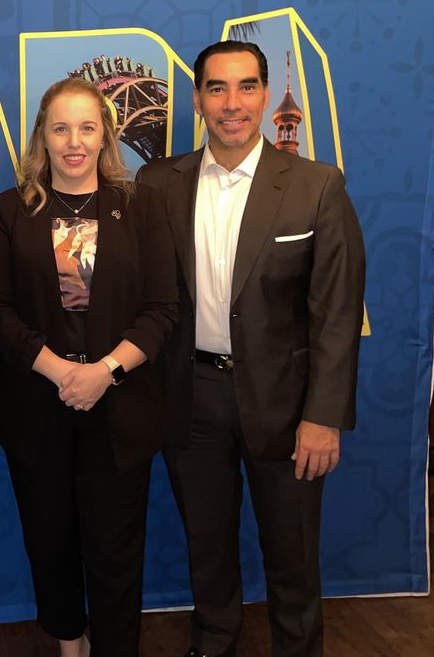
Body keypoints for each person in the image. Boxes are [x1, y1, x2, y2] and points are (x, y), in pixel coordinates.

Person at [136, 40, 366, 657]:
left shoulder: (317, 186)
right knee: (206, 545)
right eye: (217, 88)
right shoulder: (158, 183)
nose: (231, 104)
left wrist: (323, 417)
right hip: (191, 397)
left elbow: (337, 314)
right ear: (197, 100)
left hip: (287, 404)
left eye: (245, 87)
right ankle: (214, 642)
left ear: (265, 96)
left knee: (291, 551)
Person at [0, 77, 179, 657]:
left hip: (119, 408)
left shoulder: (141, 206)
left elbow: (162, 310)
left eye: (86, 127)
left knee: (117, 548)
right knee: (51, 539)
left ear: (105, 135)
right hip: (39, 406)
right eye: (60, 127)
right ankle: (70, 643)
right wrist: (60, 371)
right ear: (42, 135)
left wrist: (104, 373)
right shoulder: (13, 210)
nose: (73, 141)